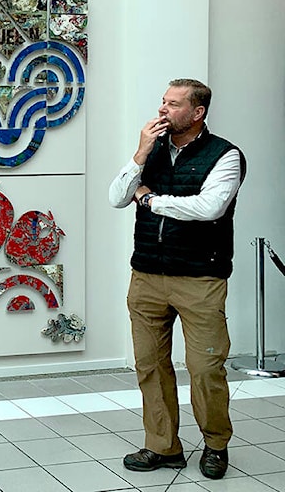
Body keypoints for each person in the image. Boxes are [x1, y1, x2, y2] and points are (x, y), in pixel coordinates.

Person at [108, 78, 245, 481]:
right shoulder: (151, 152)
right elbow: (117, 196)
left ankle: (216, 444)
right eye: (163, 102)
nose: (163, 110)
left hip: (200, 277)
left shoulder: (226, 156)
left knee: (205, 368)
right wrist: (139, 153)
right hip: (147, 275)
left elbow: (209, 207)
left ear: (197, 112)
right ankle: (163, 446)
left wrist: (150, 200)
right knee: (149, 365)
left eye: (173, 104)